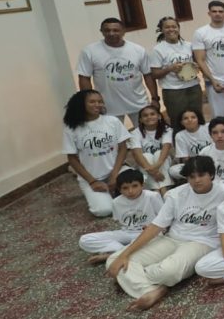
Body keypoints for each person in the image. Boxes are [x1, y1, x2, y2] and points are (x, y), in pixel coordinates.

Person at [105, 156, 224, 311]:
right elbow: (156, 226)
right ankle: (151, 290)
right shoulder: (176, 194)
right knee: (114, 260)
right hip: (172, 238)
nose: (197, 180)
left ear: (211, 175)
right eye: (192, 176)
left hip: (203, 242)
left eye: (201, 175)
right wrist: (125, 255)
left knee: (168, 272)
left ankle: (135, 278)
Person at [77, 17, 157, 126]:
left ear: (123, 31)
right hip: (107, 107)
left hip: (138, 104)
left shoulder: (138, 50)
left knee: (146, 133)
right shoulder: (89, 51)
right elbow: (84, 78)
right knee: (113, 136)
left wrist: (155, 98)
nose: (111, 33)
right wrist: (90, 103)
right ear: (101, 31)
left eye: (115, 30)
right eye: (107, 30)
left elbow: (148, 75)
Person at [64, 89, 131, 217]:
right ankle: (105, 193)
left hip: (117, 171)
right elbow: (72, 158)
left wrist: (114, 175)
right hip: (91, 177)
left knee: (136, 191)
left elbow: (123, 148)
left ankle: (114, 190)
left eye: (100, 101)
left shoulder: (112, 121)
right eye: (92, 102)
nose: (98, 104)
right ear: (81, 104)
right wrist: (92, 182)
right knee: (104, 210)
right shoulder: (72, 128)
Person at [78, 170, 163, 263]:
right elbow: (121, 223)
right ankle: (121, 252)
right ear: (119, 189)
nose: (130, 191)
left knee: (154, 242)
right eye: (125, 188)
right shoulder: (116, 202)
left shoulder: (152, 196)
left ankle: (114, 254)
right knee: (85, 240)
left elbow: (164, 218)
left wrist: (153, 229)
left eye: (135, 186)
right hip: (127, 233)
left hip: (149, 233)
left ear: (142, 185)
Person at [192, 1, 224, 133]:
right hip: (214, 81)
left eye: (220, 11)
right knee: (219, 116)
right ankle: (221, 142)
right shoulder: (201, 33)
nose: (217, 14)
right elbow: (200, 59)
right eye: (214, 11)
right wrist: (212, 80)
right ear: (209, 13)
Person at [150, 16, 201, 125]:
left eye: (174, 26)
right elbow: (154, 74)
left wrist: (196, 66)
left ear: (178, 28)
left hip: (193, 87)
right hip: (173, 91)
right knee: (178, 122)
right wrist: (170, 68)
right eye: (167, 27)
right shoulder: (158, 50)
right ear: (162, 30)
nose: (171, 29)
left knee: (198, 119)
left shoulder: (189, 45)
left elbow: (198, 63)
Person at [127, 104, 173, 194]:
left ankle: (162, 189)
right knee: (146, 156)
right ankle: (158, 190)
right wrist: (153, 172)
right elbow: (137, 155)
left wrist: (153, 170)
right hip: (144, 165)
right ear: (140, 119)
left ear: (159, 116)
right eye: (145, 115)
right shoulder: (135, 133)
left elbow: (166, 150)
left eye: (152, 114)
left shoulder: (167, 129)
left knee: (158, 153)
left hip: (163, 162)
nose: (149, 117)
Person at [171, 108, 211, 181]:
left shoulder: (208, 128)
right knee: (173, 170)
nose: (190, 120)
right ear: (181, 122)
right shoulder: (180, 135)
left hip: (212, 161)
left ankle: (197, 177)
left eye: (193, 117)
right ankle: (202, 176)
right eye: (186, 118)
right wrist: (195, 166)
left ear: (198, 119)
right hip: (195, 164)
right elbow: (185, 159)